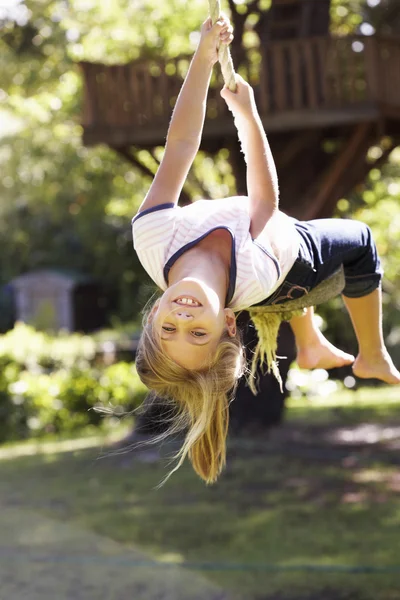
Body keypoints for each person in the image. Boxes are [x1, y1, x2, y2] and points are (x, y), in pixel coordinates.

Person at [131, 16, 400, 484]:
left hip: (267, 257)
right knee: (360, 241)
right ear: (228, 323)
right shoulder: (255, 274)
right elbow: (264, 202)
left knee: (283, 292)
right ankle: (372, 354)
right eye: (197, 334)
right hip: (295, 266)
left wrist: (203, 56)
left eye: (170, 327)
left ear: (154, 312)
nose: (185, 318)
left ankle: (312, 345)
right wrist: (246, 113)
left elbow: (179, 144)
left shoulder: (153, 239)